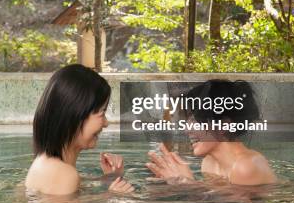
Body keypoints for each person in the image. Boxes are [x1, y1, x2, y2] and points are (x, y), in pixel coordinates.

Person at [25, 64, 134, 196]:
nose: (106, 123)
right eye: (102, 113)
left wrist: (111, 177)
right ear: (75, 116)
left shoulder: (45, 162)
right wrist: (110, 197)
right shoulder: (64, 174)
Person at [146, 80, 277, 186]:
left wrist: (187, 184)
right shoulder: (209, 163)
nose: (187, 129)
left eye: (195, 120)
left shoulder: (246, 166)